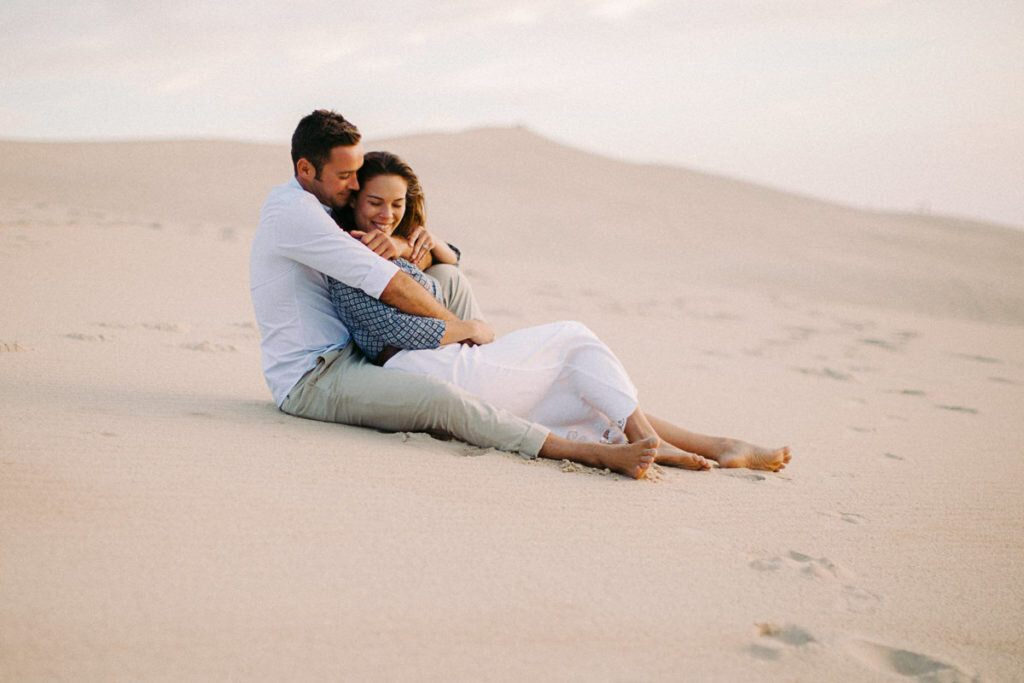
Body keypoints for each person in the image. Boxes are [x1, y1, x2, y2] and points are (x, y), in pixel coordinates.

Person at [250, 109, 666, 478]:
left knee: (449, 277)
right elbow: (391, 285)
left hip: (353, 349)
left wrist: (404, 246)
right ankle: (582, 451)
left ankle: (491, 373)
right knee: (441, 399)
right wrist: (462, 328)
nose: (355, 184)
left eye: (358, 172)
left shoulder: (323, 205)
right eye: (345, 176)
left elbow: (438, 262)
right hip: (314, 377)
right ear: (305, 169)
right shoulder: (295, 214)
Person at [327, 151, 793, 479]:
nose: (386, 214)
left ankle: (718, 445)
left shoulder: (392, 245)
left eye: (397, 204)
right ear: (353, 200)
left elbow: (445, 259)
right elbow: (394, 331)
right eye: (375, 203)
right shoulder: (349, 252)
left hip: (446, 365)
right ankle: (657, 440)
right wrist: (471, 328)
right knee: (574, 338)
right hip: (425, 368)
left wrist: (411, 247)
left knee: (583, 390)